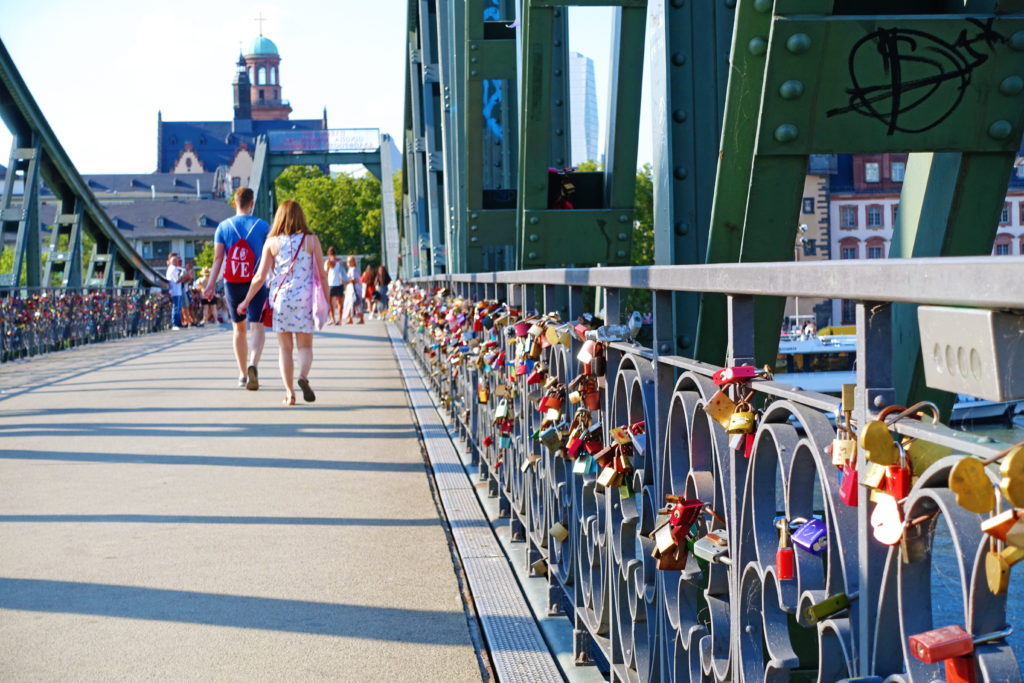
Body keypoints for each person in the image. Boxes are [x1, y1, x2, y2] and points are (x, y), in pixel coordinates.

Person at [237, 200, 329, 406]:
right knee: (305, 346)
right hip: (305, 299)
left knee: (284, 348)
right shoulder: (311, 240)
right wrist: (327, 299)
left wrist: (246, 300)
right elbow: (321, 275)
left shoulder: (272, 243)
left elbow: (260, 276)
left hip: (281, 300)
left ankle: (290, 394)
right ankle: (303, 377)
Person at [204, 187, 271, 390]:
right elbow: (270, 258)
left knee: (238, 329)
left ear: (235, 203)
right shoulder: (263, 226)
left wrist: (209, 286)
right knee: (257, 326)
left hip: (232, 283)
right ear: (252, 204)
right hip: (256, 282)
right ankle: (253, 364)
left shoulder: (223, 227)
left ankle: (242, 374)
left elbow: (218, 259)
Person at [324, 246, 345, 325]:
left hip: (331, 284)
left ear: (328, 254)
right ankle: (339, 319)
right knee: (339, 303)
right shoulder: (339, 261)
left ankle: (333, 318)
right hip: (339, 284)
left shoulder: (328, 262)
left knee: (330, 303)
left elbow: (325, 272)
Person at [341, 255, 363, 324]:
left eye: (350, 261)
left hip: (354, 288)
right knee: (350, 304)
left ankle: (360, 318)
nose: (349, 263)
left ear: (353, 262)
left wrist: (346, 281)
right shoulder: (351, 269)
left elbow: (355, 279)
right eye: (348, 261)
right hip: (351, 288)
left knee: (354, 303)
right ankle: (350, 318)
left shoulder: (353, 269)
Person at [165, 253, 184, 330]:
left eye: (177, 259)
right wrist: (185, 276)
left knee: (178, 307)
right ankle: (174, 324)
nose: (176, 261)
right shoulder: (172, 268)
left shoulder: (176, 268)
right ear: (170, 261)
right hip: (174, 291)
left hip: (178, 291)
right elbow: (178, 280)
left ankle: (178, 323)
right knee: (175, 307)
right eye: (174, 260)